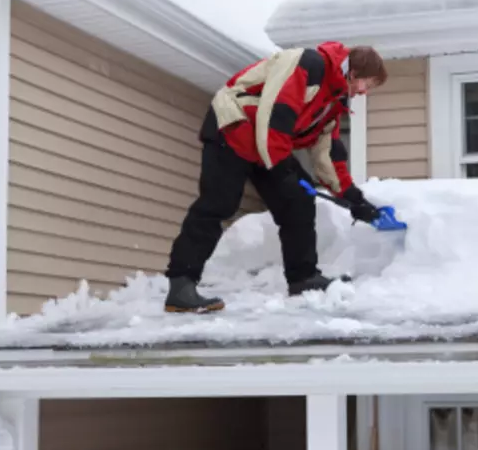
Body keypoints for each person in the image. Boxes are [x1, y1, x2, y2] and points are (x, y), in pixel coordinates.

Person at [163, 41, 388, 313]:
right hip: (235, 126)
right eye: (368, 83)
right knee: (218, 203)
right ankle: (181, 285)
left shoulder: (333, 99)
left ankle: (303, 278)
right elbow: (275, 113)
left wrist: (355, 200)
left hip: (264, 144)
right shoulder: (309, 64)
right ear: (353, 73)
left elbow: (327, 154)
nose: (364, 92)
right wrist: (281, 168)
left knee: (299, 200)